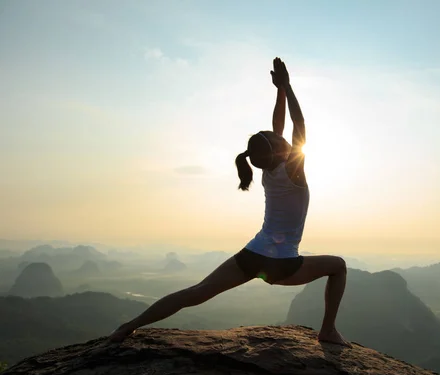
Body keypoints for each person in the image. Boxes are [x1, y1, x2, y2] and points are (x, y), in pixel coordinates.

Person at [108, 57, 350, 346]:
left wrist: (280, 92)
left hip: (253, 255)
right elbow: (298, 124)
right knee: (338, 266)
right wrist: (288, 85)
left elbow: (280, 127)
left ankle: (130, 326)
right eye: (278, 140)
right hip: (283, 263)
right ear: (279, 152)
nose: (281, 137)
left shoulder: (269, 172)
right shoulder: (293, 171)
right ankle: (328, 331)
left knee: (196, 292)